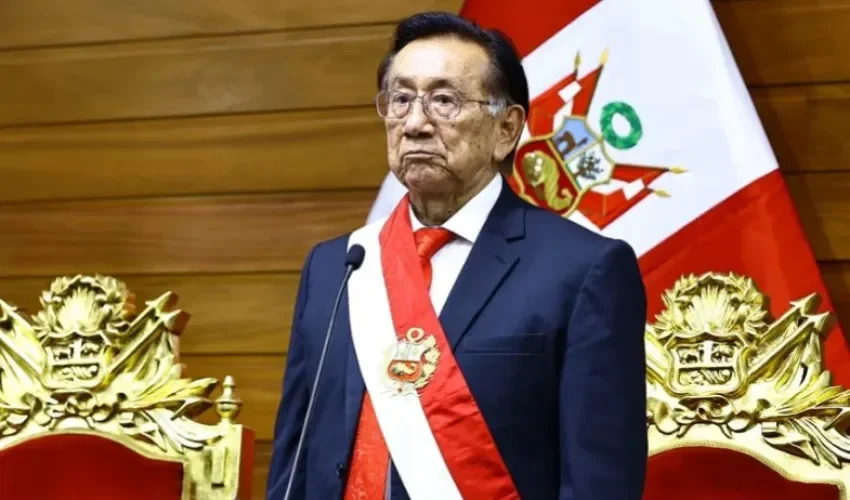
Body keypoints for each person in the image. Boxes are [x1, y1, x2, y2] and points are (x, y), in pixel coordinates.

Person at [266, 11, 647, 500]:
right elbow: (293, 461)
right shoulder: (337, 265)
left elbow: (601, 484)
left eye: (444, 101)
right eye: (401, 99)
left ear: (506, 130)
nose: (416, 123)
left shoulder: (583, 271)